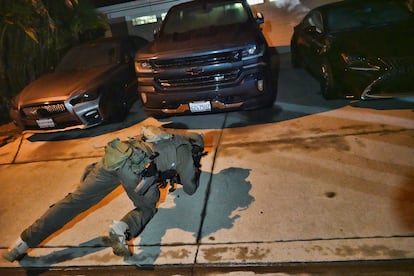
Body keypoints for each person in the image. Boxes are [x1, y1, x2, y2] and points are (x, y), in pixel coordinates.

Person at [4, 126, 205, 262]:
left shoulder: (163, 134)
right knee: (147, 207)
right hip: (135, 171)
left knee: (75, 201)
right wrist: (192, 171)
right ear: (195, 147)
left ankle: (23, 242)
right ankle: (121, 229)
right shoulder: (184, 148)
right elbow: (190, 187)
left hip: (114, 158)